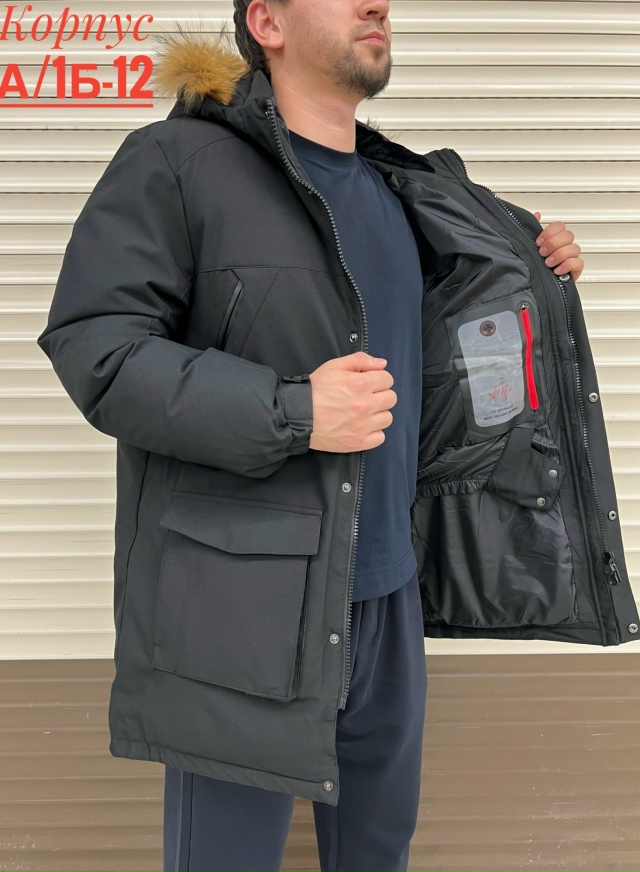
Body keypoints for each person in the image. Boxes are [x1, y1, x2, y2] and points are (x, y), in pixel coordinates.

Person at [36, 1, 597, 870]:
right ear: (267, 22)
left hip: (389, 597)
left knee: (378, 855)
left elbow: (452, 356)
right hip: (239, 608)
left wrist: (530, 263)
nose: (377, 5)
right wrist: (293, 411)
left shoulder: (399, 189)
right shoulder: (176, 162)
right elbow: (98, 349)